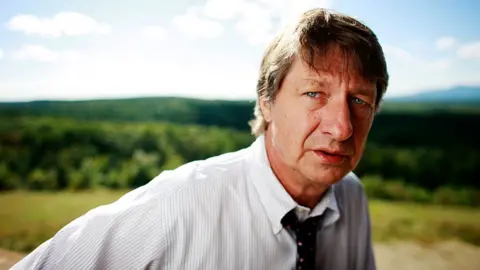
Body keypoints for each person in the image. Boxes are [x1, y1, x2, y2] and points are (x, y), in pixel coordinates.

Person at [12, 7, 388, 270]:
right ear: (268, 103)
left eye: (359, 100)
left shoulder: (349, 195)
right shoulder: (177, 204)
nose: (341, 127)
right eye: (314, 94)